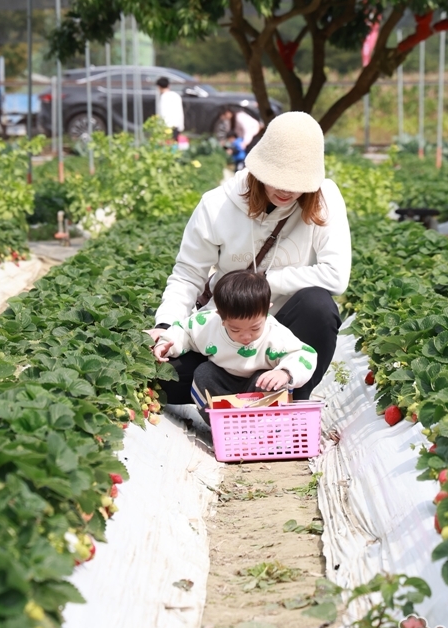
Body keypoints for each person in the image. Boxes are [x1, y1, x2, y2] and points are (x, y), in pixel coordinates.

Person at [147, 110, 351, 403]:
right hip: (226, 333)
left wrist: (264, 282)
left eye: (298, 181)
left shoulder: (324, 199)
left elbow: (336, 275)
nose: (287, 189)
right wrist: (166, 326)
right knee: (160, 379)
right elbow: (188, 274)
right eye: (278, 177)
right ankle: (239, 398)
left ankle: (286, 401)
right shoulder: (217, 205)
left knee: (318, 305)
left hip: (283, 339)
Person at [152, 270, 317, 416]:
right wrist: (165, 344)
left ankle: (266, 429)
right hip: (222, 382)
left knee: (271, 383)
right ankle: (222, 425)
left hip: (258, 385)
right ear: (220, 316)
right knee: (204, 373)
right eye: (236, 330)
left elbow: (304, 354)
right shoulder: (208, 323)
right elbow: (184, 331)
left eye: (255, 328)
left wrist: (285, 373)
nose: (246, 336)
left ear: (267, 310)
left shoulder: (275, 333)